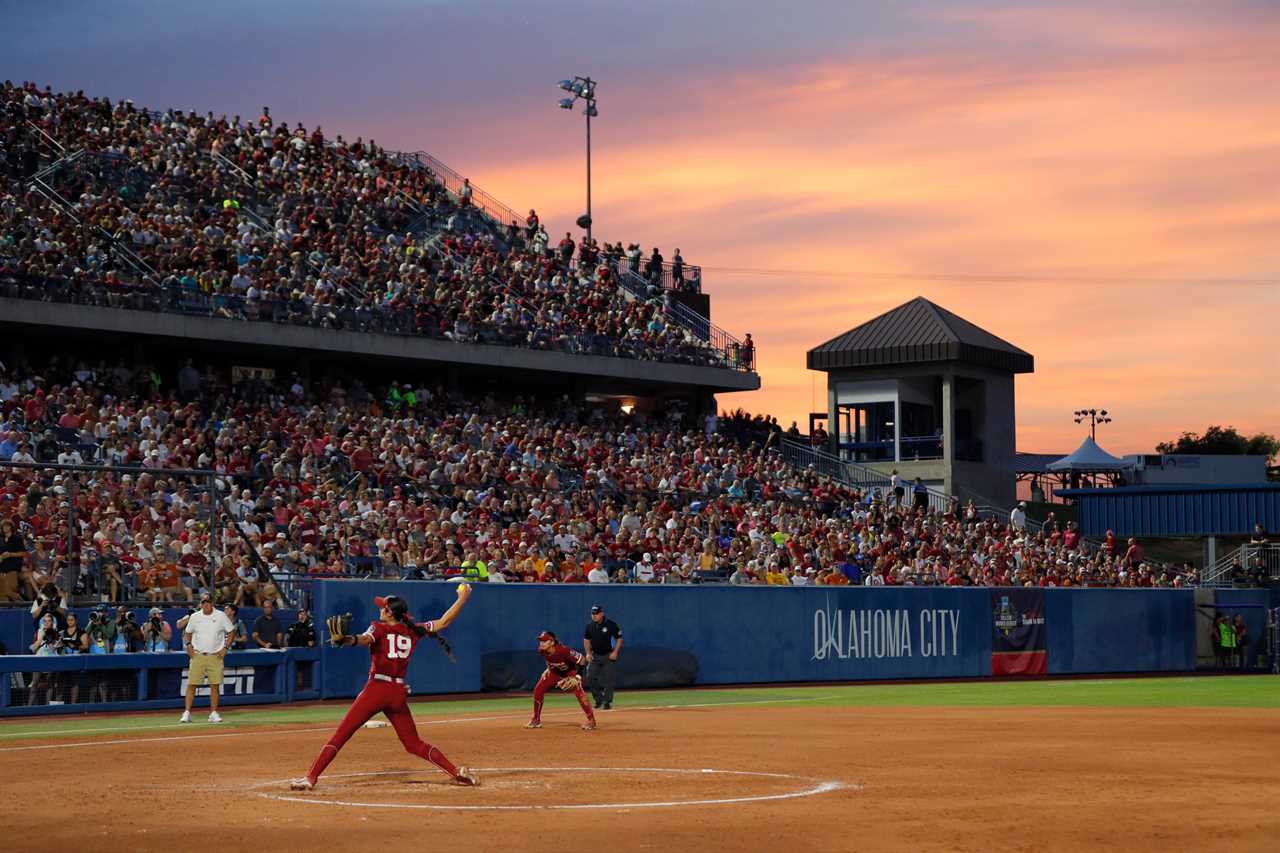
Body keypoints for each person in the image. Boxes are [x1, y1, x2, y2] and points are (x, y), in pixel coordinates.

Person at [290, 588, 477, 790]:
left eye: (383, 608)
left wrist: (347, 640)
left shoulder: (378, 628)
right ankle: (456, 771)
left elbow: (363, 639)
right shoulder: (413, 630)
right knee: (413, 744)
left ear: (389, 613)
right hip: (397, 692)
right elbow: (444, 621)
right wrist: (463, 598)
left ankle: (310, 778)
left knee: (341, 735)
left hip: (376, 689)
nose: (379, 610)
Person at [524, 629, 597, 731]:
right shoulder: (541, 650)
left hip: (570, 672)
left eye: (544, 641)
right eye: (540, 640)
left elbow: (583, 661)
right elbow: (549, 659)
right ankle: (536, 720)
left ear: (552, 642)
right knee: (538, 690)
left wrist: (578, 676)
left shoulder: (563, 651)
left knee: (579, 693)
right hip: (555, 672)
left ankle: (591, 721)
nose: (541, 643)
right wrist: (548, 668)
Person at [180, 592, 235, 723]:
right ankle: (187, 713)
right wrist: (188, 646)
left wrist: (225, 648)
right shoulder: (194, 616)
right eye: (204, 602)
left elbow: (232, 631)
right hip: (198, 655)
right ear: (201, 604)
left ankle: (213, 713)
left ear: (212, 603)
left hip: (215, 656)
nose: (206, 605)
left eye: (208, 602)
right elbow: (187, 633)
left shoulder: (221, 616)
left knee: (214, 686)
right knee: (192, 684)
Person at [583, 604, 623, 710]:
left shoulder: (610, 624)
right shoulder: (590, 626)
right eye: (593, 614)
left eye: (596, 614)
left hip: (608, 656)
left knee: (609, 679)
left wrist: (615, 652)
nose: (594, 616)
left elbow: (619, 638)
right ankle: (599, 699)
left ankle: (607, 701)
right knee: (590, 676)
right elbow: (586, 640)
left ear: (602, 614)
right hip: (595, 655)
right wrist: (588, 653)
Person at [0, 518, 27, 602]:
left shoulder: (17, 539)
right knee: (2, 594)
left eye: (7, 526)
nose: (5, 528)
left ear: (11, 527)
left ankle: (24, 603)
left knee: (9, 591)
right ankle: (6, 613)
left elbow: (23, 553)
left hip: (12, 569)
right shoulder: (0, 539)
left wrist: (10, 554)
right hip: (1, 570)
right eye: (4, 526)